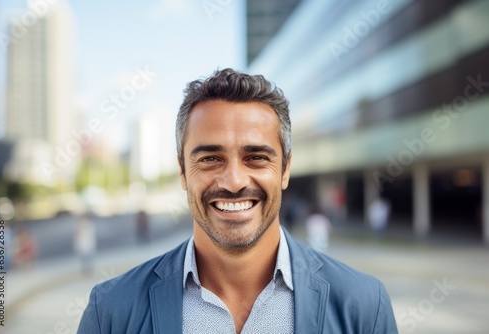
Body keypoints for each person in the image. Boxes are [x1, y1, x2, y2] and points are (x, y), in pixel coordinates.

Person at [78, 69, 397, 333]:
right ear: (182, 171)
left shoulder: (364, 306)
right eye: (210, 158)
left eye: (256, 157)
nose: (234, 181)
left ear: (285, 169)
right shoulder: (111, 312)